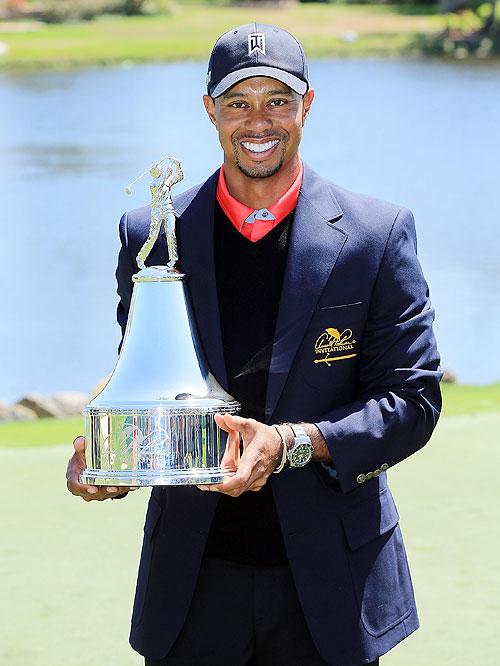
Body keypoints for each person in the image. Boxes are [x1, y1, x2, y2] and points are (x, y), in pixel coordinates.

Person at [67, 22, 442, 666]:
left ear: (308, 105)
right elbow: (147, 381)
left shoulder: (377, 235)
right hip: (191, 583)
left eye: (278, 100)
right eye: (238, 102)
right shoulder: (152, 234)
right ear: (210, 108)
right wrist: (112, 460)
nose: (258, 120)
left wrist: (292, 442)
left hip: (331, 589)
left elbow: (412, 403)